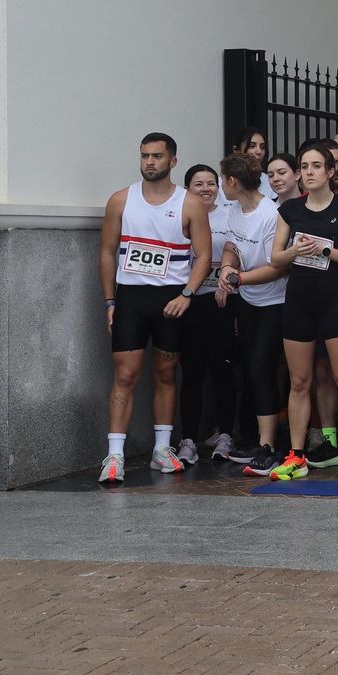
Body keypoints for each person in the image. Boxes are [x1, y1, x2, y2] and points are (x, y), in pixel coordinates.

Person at [97, 133, 213, 483]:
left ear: (172, 161)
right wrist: (110, 300)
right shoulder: (121, 200)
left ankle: (162, 448)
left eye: (157, 156)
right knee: (125, 374)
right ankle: (114, 455)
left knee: (166, 372)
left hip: (170, 299)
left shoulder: (190, 203)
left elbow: (204, 255)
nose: (150, 162)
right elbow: (107, 252)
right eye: (145, 155)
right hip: (131, 297)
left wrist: (187, 294)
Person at [268, 140, 338, 481]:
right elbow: (276, 258)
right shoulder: (290, 210)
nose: (309, 172)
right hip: (299, 300)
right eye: (304, 167)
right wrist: (296, 250)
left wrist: (326, 250)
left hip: (335, 300)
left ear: (330, 171)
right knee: (299, 380)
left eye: (316, 166)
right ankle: (296, 456)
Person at [215, 155, 289, 476]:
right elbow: (232, 245)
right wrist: (227, 267)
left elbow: (278, 266)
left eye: (222, 179)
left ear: (232, 182)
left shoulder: (271, 215)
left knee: (261, 367)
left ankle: (268, 445)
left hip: (275, 302)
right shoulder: (235, 210)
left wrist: (238, 279)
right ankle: (257, 439)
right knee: (248, 367)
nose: (221, 185)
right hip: (248, 302)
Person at [177, 164, 238, 464]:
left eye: (211, 183)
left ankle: (225, 434)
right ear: (187, 188)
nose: (205, 189)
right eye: (198, 184)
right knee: (191, 371)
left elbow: (238, 252)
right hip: (189, 302)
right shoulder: (180, 214)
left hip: (223, 302)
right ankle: (188, 438)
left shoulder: (229, 215)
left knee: (223, 369)